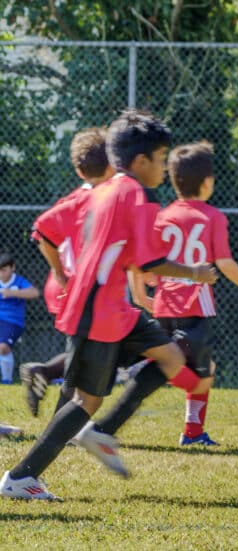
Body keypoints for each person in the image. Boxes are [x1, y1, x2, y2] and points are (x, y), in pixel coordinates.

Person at [0, 109, 218, 501]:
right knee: (86, 399)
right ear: (140, 161)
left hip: (112, 305)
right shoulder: (137, 193)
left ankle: (101, 433)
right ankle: (21, 477)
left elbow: (125, 254)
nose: (164, 166)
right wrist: (196, 273)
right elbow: (147, 262)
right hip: (98, 309)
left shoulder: (104, 191)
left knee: (171, 358)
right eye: (161, 157)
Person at [127, 141, 238, 445]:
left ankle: (192, 432)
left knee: (204, 369)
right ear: (207, 182)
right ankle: (144, 368)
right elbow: (224, 262)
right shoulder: (212, 217)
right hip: (195, 308)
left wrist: (139, 294)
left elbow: (141, 260)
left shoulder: (161, 216)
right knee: (198, 373)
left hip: (163, 307)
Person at [20, 127, 114, 416]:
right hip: (77, 286)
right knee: (89, 352)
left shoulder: (81, 197)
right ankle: (64, 421)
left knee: (88, 350)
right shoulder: (97, 199)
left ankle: (45, 373)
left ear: (78, 169)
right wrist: (61, 273)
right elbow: (42, 230)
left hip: (73, 283)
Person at [0, 252, 40, 384]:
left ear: (13, 268)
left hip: (13, 322)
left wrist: (12, 293)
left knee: (3, 348)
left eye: (4, 270)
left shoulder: (19, 281)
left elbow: (35, 293)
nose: (1, 274)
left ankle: (6, 381)